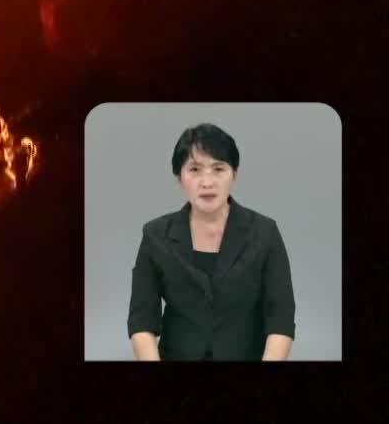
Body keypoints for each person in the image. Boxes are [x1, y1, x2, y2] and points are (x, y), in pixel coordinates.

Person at [127, 123, 296, 361]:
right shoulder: (155, 235)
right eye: (194, 169)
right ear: (179, 177)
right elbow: (141, 320)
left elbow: (281, 317)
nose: (207, 182)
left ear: (234, 175)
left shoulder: (265, 232)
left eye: (219, 169)